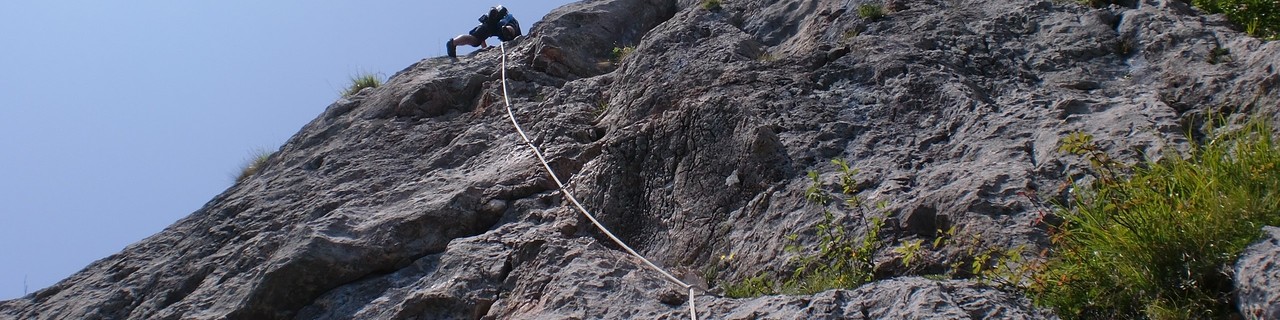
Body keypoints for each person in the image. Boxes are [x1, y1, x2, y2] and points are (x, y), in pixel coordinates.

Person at [447, 5, 522, 58]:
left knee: (475, 39)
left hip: (488, 22)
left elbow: (482, 38)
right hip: (505, 18)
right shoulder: (519, 38)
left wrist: (484, 49)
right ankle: (507, 30)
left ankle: (453, 42)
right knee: (511, 29)